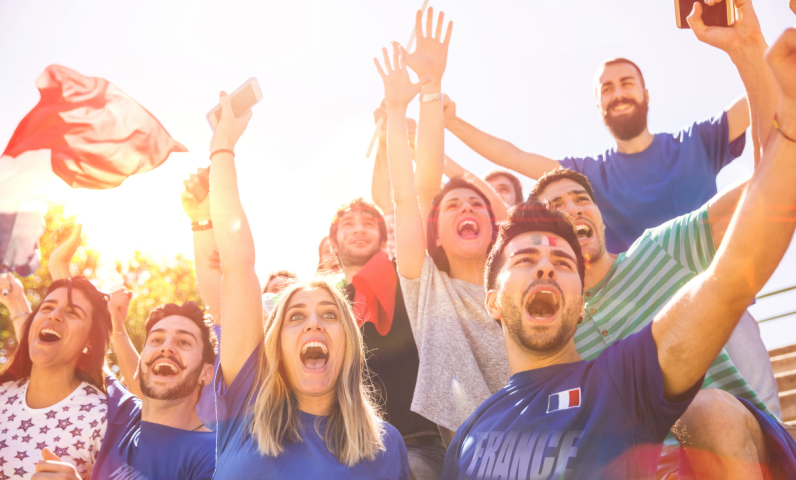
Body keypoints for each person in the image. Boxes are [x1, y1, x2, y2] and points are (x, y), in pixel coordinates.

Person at [442, 26, 796, 474]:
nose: (570, 209)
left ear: (602, 215)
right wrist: (442, 123)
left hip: (719, 439)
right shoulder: (556, 337)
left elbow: (767, 194)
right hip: (638, 464)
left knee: (702, 406)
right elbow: (508, 165)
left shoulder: (660, 246)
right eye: (554, 207)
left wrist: (751, 51)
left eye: (581, 199)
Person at [441, 2, 779, 254]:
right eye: (607, 88)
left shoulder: (697, 143)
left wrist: (750, 40)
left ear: (646, 94)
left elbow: (768, 91)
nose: (618, 94)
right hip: (634, 323)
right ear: (599, 105)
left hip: (720, 301)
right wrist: (452, 122)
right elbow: (512, 155)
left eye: (626, 83)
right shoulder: (587, 175)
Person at [207, 90, 408, 479]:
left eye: (329, 314)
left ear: (349, 341)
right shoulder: (243, 405)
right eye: (295, 316)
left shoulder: (386, 445)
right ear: (275, 343)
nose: (313, 323)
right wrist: (222, 148)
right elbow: (237, 263)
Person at [376, 7, 510, 435]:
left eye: (476, 205)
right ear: (435, 229)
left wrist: (434, 88)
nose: (468, 208)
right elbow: (410, 192)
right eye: (453, 207)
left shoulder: (518, 282)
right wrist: (408, 106)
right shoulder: (426, 288)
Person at [328, 197, 446, 478]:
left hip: (417, 442)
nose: (359, 229)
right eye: (348, 224)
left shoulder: (405, 278)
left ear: (384, 241)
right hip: (346, 446)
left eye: (368, 224)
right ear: (333, 244)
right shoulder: (325, 304)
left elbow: (406, 204)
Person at [0, 275, 111, 480]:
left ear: (90, 342)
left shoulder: (106, 420)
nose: (54, 315)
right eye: (46, 307)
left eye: (73, 312)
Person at [91, 300, 217, 480]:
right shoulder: (121, 419)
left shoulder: (212, 456)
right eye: (156, 340)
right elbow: (70, 349)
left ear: (205, 373)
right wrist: (116, 323)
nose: (166, 347)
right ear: (140, 365)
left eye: (183, 342)